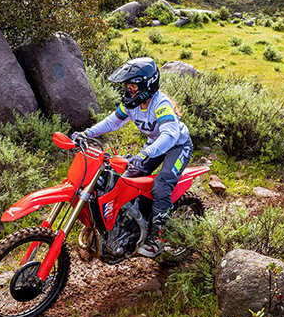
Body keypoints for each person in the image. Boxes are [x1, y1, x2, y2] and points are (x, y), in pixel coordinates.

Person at [72, 57, 193, 258]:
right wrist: (87, 133)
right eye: (128, 86)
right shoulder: (131, 104)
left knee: (162, 185)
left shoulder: (160, 104)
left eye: (133, 86)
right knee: (125, 182)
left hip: (177, 146)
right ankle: (129, 226)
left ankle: (157, 238)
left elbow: (170, 135)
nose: (129, 90)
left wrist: (146, 153)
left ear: (147, 84)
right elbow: (112, 122)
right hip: (154, 146)